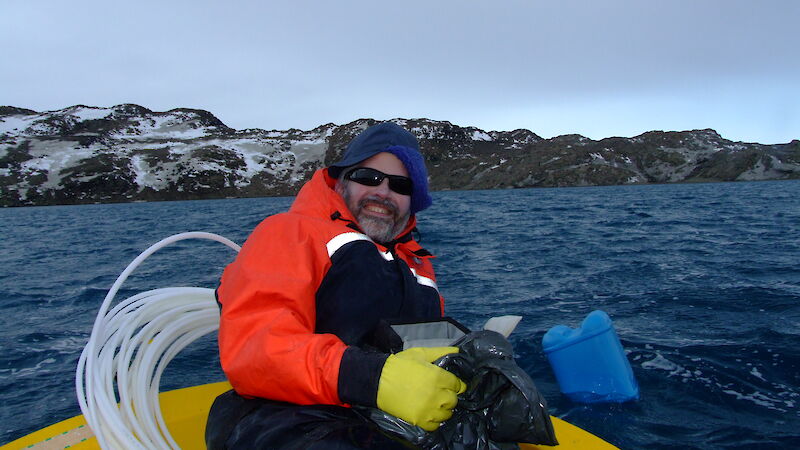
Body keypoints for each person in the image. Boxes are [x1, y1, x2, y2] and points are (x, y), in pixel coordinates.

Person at [207, 122, 466, 449]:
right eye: (368, 178)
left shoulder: (418, 267)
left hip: (389, 422)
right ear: (341, 181)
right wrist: (372, 379)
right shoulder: (290, 233)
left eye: (400, 185)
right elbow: (255, 346)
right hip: (281, 418)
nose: (383, 192)